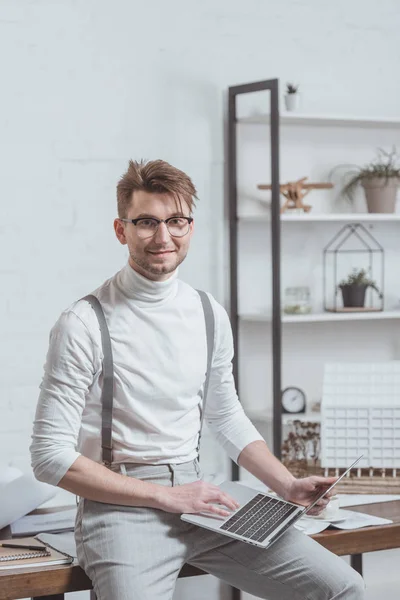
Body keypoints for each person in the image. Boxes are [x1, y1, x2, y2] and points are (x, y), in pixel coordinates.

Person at [30, 159, 365, 600]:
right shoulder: (83, 323)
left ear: (190, 226)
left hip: (205, 498)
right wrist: (165, 498)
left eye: (176, 221)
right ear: (121, 229)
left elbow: (225, 415)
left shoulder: (208, 313)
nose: (163, 237)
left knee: (344, 589)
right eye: (146, 222)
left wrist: (286, 484)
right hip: (121, 508)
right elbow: (49, 457)